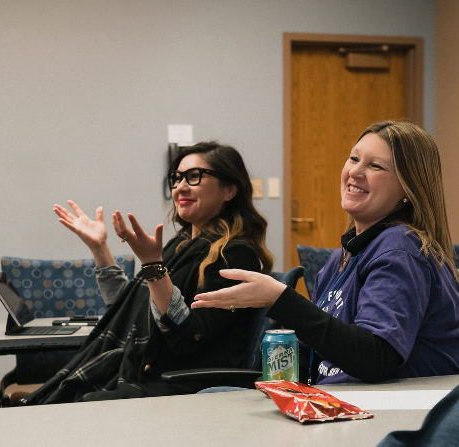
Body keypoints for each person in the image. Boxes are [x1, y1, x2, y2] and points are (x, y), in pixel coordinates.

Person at [193, 121, 459, 385]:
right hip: (337, 405)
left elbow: (375, 357)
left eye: (375, 165)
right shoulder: (340, 259)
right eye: (354, 158)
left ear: (409, 187)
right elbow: (320, 352)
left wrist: (280, 299)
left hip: (396, 415)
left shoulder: (402, 248)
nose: (355, 171)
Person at [20, 141, 274, 405]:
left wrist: (153, 266)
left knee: (71, 405)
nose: (180, 187)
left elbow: (188, 336)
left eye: (194, 177)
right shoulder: (182, 244)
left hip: (186, 387)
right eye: (176, 179)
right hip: (153, 374)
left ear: (230, 189)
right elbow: (135, 310)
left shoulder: (233, 254)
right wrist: (100, 249)